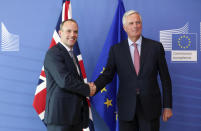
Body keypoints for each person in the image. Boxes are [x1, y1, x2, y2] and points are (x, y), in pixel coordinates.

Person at [91, 10, 173, 131]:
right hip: (126, 107)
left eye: (138, 22)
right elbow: (107, 75)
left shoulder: (156, 47)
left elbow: (165, 79)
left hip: (150, 107)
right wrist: (95, 87)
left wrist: (167, 106)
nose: (135, 26)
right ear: (125, 27)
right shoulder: (116, 50)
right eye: (131, 23)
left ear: (142, 25)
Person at [43, 19, 96, 131]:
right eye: (69, 31)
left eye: (75, 32)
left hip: (74, 117)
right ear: (60, 33)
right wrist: (87, 88)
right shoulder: (54, 53)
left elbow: (74, 80)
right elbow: (65, 81)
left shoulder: (72, 55)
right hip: (60, 118)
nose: (72, 35)